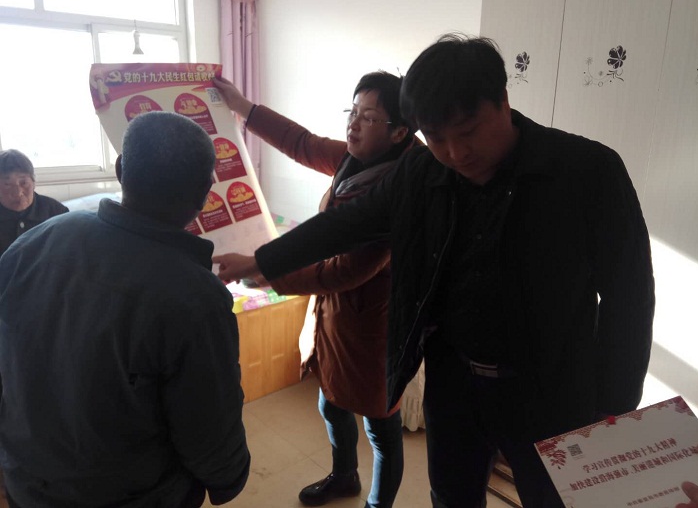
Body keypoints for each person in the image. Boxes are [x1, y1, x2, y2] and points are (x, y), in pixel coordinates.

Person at [213, 34, 655, 508]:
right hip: (454, 383)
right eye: (437, 138)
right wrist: (264, 261)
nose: (456, 153)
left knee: (554, 501)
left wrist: (614, 407)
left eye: (468, 131)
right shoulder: (422, 172)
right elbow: (349, 223)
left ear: (503, 100)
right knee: (450, 498)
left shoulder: (586, 171)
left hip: (551, 392)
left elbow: (629, 295)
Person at [0, 111, 250, 508]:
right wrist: (228, 479)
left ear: (120, 170)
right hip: (131, 495)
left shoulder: (35, 242)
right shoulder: (196, 298)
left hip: (27, 484)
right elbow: (208, 429)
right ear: (206, 192)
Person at [213, 71, 420, 508]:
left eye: (368, 117)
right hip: (334, 315)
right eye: (353, 111)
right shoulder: (351, 158)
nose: (353, 124)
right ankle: (344, 477)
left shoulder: (400, 189)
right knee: (330, 402)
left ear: (400, 132)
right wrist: (243, 107)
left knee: (381, 427)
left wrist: (269, 276)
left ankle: (378, 505)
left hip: (375, 325)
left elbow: (343, 273)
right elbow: (301, 142)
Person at [0, 149, 68, 257]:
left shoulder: (57, 212)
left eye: (24, 183)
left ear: (33, 182)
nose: (18, 192)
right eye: (7, 184)